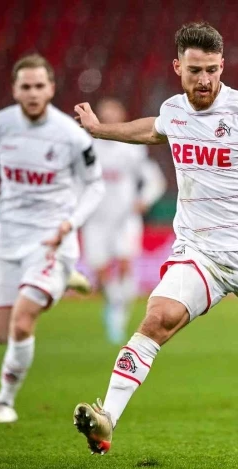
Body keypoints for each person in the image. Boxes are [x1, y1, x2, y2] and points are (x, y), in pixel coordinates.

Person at [72, 22, 238, 454]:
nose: (204, 80)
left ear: (223, 66)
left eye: (212, 70)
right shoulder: (174, 110)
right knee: (157, 319)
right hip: (200, 252)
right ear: (177, 67)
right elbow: (153, 130)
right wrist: (99, 129)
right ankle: (107, 418)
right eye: (195, 70)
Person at [0, 54, 105, 423]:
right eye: (26, 87)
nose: (33, 93)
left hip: (52, 240)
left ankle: (3, 402)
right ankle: (64, 280)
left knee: (22, 322)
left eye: (39, 86)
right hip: (8, 238)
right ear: (15, 90)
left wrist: (70, 223)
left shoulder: (70, 134)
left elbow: (95, 185)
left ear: (51, 89)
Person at [81, 98, 167, 344]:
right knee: (100, 271)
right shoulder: (87, 148)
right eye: (105, 115)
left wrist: (144, 199)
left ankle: (118, 315)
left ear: (121, 118)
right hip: (96, 219)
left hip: (125, 219)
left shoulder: (132, 148)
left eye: (113, 115)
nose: (109, 119)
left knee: (125, 264)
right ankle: (115, 303)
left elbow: (154, 180)